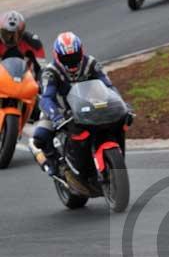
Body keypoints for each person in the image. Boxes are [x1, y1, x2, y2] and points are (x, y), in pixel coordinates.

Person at [31, 31, 132, 176]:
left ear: (81, 51)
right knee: (40, 137)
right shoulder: (50, 72)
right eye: (67, 58)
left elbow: (108, 86)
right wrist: (56, 116)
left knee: (119, 121)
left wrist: (121, 103)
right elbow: (47, 98)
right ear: (57, 56)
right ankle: (55, 164)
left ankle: (111, 160)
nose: (71, 61)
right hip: (60, 110)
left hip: (91, 107)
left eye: (74, 56)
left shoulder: (91, 63)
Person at [0, 10, 45, 80]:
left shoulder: (33, 42)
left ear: (21, 33)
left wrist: (39, 84)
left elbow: (42, 68)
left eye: (14, 35)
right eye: (6, 34)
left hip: (27, 81)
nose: (10, 38)